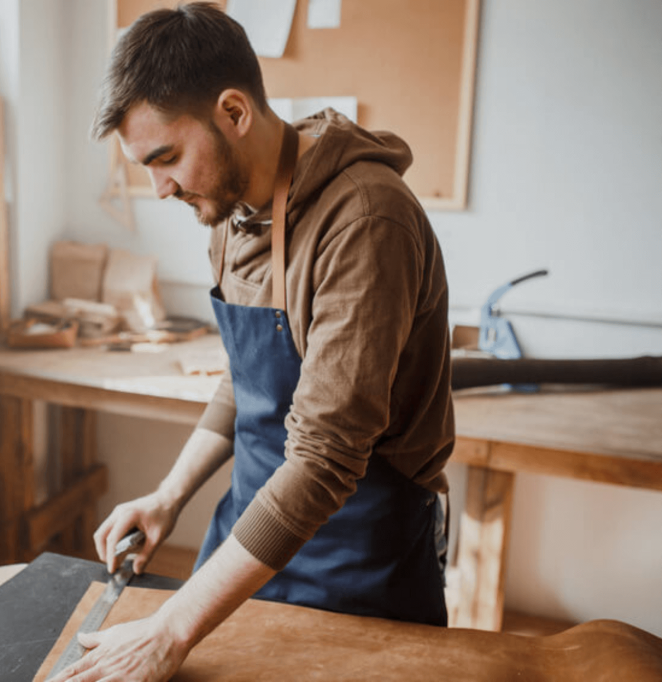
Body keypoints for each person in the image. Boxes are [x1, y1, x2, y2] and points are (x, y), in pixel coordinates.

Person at [49, 3, 454, 680]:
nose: (160, 188)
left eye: (167, 157)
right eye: (146, 166)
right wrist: (169, 497)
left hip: (358, 555)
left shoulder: (366, 221)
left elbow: (325, 460)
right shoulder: (231, 214)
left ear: (234, 112)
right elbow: (250, 378)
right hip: (249, 536)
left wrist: (173, 627)